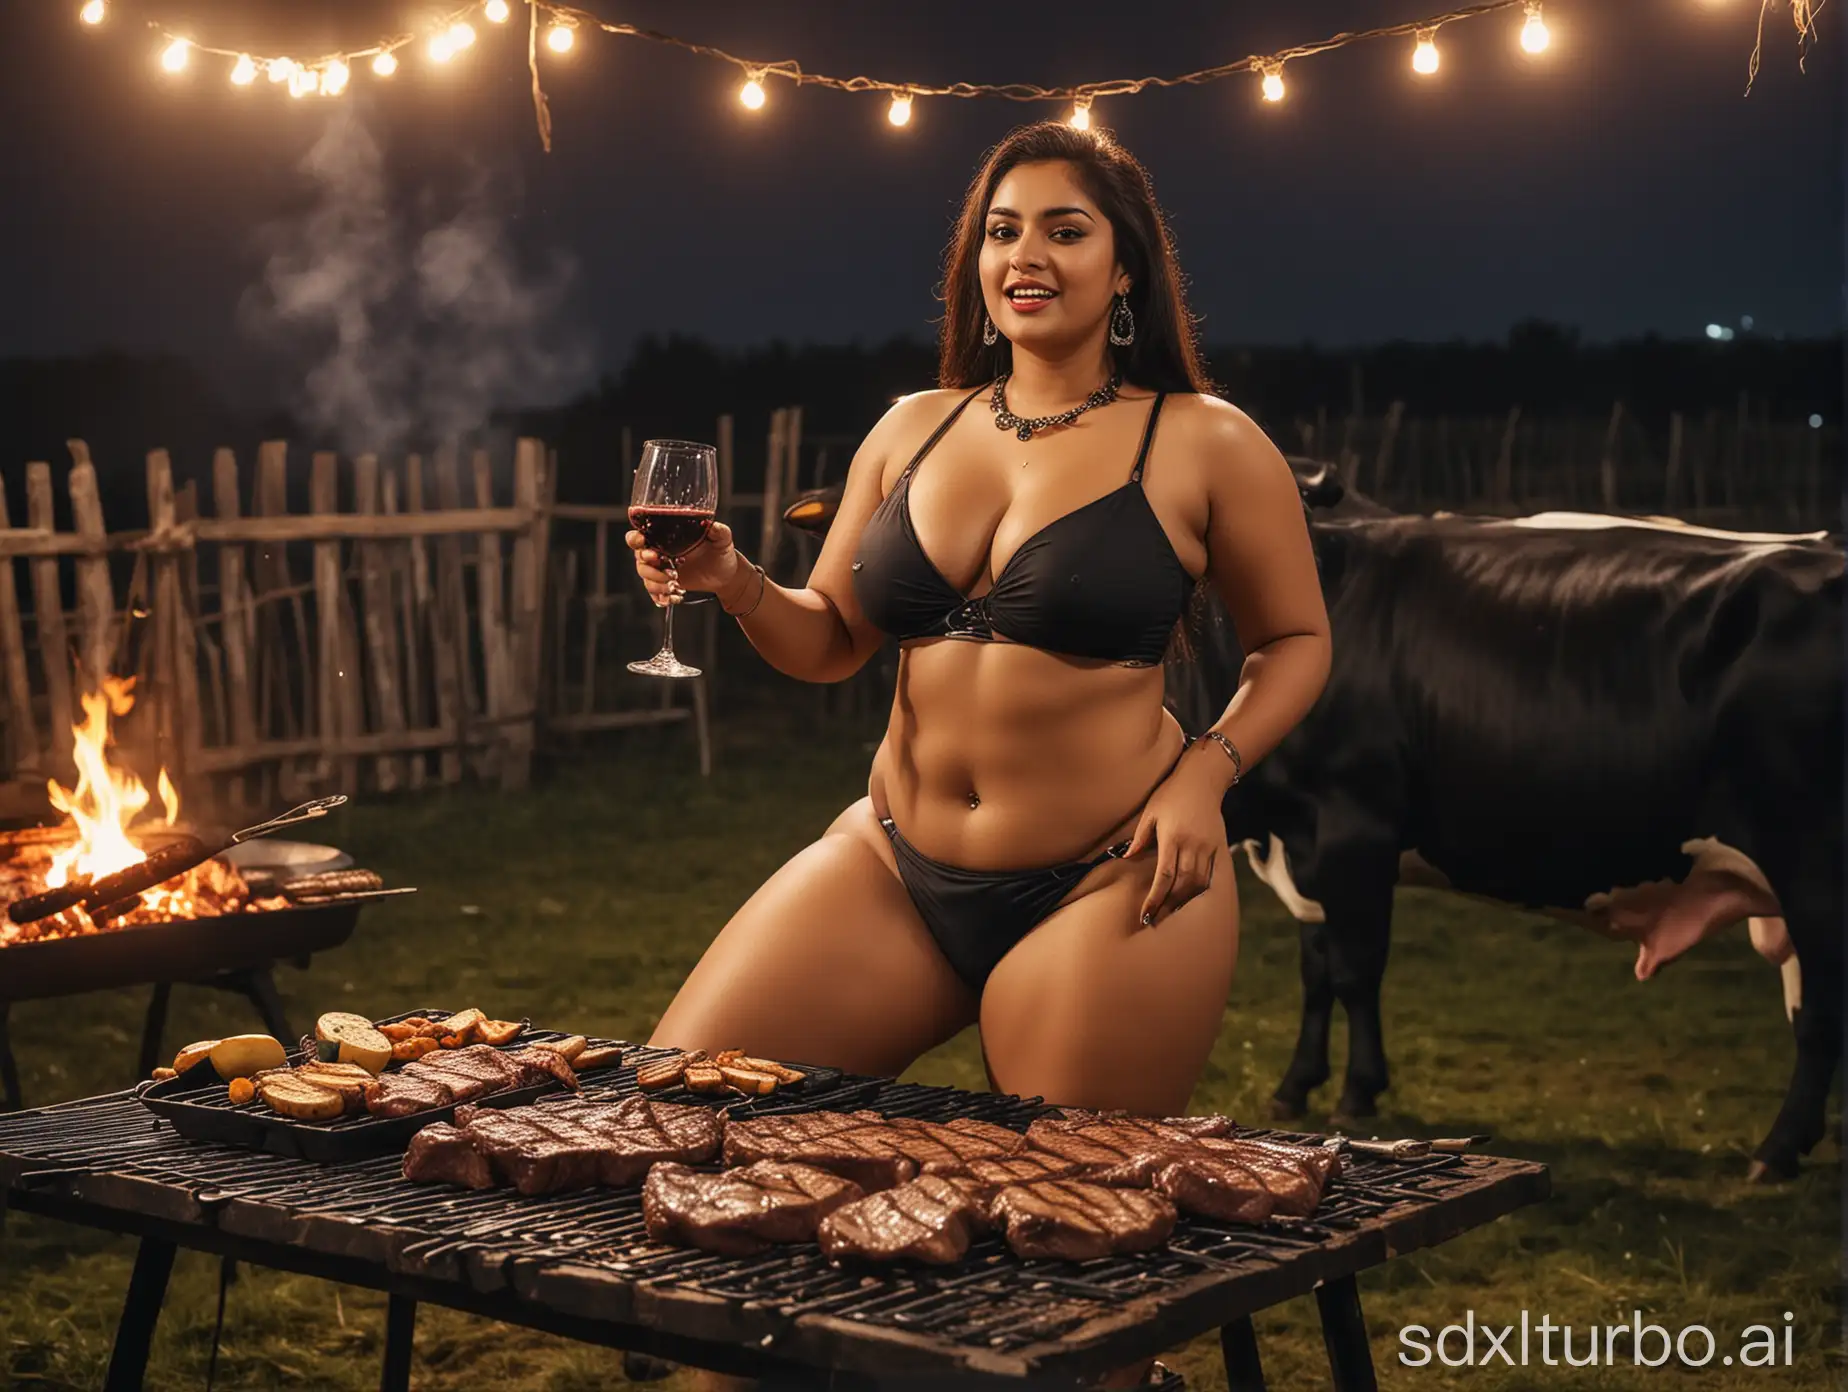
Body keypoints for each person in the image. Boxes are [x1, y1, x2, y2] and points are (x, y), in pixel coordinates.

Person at [628, 119, 1330, 1385]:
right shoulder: (913, 428)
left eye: (1067, 230)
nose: (1029, 255)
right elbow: (835, 639)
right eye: (1005, 230)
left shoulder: (1206, 441)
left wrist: (1206, 773)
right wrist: (736, 580)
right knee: (685, 1126)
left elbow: (1295, 642)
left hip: (1110, 881)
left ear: (1127, 272)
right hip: (894, 865)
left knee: (1062, 1266)